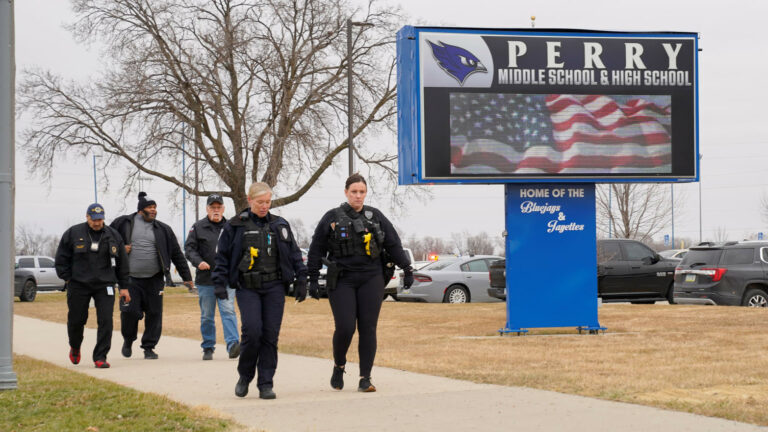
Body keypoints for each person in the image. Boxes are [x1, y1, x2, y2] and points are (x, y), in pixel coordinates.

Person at [307, 173, 413, 392]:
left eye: (362, 192)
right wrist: (313, 278)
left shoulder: (375, 216)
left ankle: (365, 378)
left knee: (368, 328)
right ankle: (339, 365)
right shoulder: (332, 217)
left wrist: (407, 267)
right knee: (345, 327)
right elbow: (316, 248)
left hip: (371, 277)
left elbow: (393, 243)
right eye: (354, 192)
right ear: (346, 192)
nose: (358, 196)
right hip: (342, 279)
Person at [213, 182, 307, 400]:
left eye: (268, 202)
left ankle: (266, 383)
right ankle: (245, 376)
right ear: (250, 200)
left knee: (270, 336)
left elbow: (293, 254)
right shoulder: (235, 226)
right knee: (253, 332)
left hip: (274, 286)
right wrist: (219, 283)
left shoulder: (280, 225)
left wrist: (301, 278)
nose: (265, 206)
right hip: (248, 287)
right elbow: (222, 257)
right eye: (260, 202)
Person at [110, 192, 194, 360]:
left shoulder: (163, 229)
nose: (154, 210)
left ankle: (149, 347)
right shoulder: (123, 223)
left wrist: (186, 276)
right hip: (130, 279)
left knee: (155, 314)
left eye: (155, 207)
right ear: (141, 210)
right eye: (150, 207)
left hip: (155, 279)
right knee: (130, 312)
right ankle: (128, 340)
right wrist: (119, 249)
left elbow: (176, 253)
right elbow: (107, 239)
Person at [54, 203, 130, 368]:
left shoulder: (113, 235)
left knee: (106, 321)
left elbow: (122, 263)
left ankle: (100, 356)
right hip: (79, 284)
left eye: (100, 219)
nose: (97, 223)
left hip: (105, 284)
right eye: (94, 219)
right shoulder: (73, 233)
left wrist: (124, 286)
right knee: (76, 320)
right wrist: (67, 278)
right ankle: (75, 346)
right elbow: (61, 259)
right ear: (87, 217)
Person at [185, 193, 240, 361]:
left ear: (223, 209)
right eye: (212, 208)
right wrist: (198, 262)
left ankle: (233, 345)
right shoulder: (198, 227)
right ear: (207, 209)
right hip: (206, 280)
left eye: (218, 207)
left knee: (228, 310)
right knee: (207, 315)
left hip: (226, 279)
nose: (216, 210)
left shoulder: (232, 226)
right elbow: (189, 249)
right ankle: (208, 346)